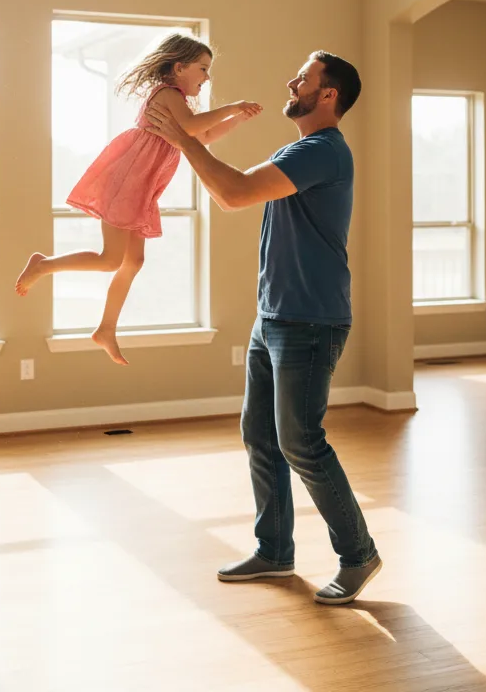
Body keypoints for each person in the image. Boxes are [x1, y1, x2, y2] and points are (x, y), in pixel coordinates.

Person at [144, 51, 381, 606]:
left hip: (310, 319)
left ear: (328, 95)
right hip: (275, 315)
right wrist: (188, 141)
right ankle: (274, 551)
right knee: (260, 435)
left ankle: (358, 554)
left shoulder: (323, 150)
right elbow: (230, 190)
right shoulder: (298, 150)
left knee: (301, 441)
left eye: (304, 77)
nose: (291, 82)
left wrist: (185, 140)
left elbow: (234, 193)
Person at [15, 33, 262, 365]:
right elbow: (191, 128)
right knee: (110, 260)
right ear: (179, 68)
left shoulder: (181, 103)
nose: (207, 78)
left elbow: (203, 136)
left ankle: (106, 328)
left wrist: (237, 119)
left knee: (133, 262)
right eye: (203, 69)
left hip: (140, 187)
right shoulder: (167, 94)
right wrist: (231, 107)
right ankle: (44, 265)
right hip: (126, 183)